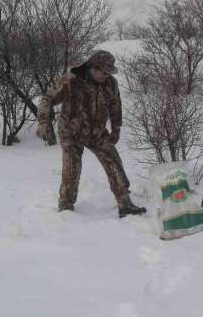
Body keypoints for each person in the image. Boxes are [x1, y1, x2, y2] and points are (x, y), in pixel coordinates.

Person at [36, 50, 146, 218]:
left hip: (97, 132)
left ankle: (125, 203)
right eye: (102, 71)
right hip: (71, 132)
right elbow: (47, 98)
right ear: (92, 67)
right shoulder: (70, 81)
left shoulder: (111, 83)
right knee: (72, 169)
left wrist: (116, 129)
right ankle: (66, 207)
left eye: (108, 72)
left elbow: (116, 106)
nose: (105, 75)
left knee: (114, 162)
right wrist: (43, 122)